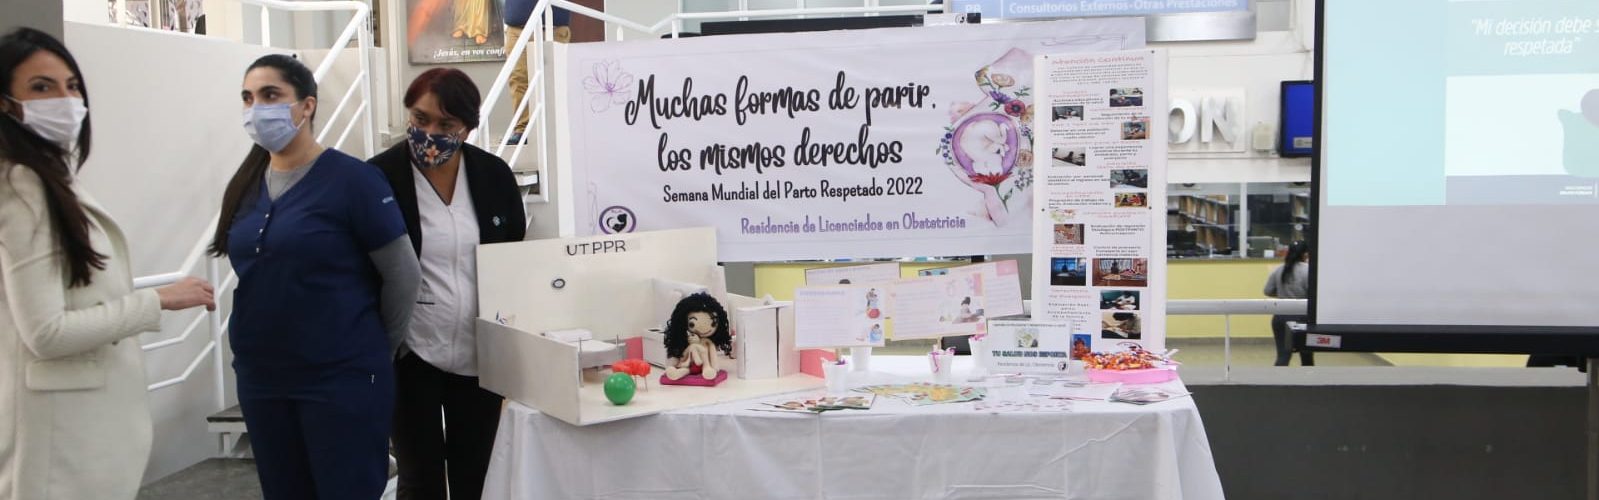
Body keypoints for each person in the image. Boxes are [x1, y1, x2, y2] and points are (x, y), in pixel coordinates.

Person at [0, 27, 216, 499]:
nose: (65, 100)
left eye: (72, 86)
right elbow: (46, 333)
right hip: (59, 439)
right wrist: (156, 301)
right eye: (41, 87)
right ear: (7, 104)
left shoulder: (49, 181)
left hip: (78, 432)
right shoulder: (23, 188)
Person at [212, 54, 420, 500]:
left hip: (340, 377)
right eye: (248, 98)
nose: (256, 108)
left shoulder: (354, 181)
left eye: (271, 95)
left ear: (307, 105)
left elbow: (403, 276)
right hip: (263, 376)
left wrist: (371, 351)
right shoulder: (246, 185)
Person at [368, 68, 525, 500]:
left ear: (467, 128)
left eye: (445, 124)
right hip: (410, 352)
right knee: (420, 479)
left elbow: (512, 257)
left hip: (479, 352)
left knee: (477, 474)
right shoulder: (378, 178)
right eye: (420, 119)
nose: (430, 134)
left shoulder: (493, 175)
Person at [502, 1, 570, 144]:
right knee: (518, 79)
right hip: (516, 29)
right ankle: (522, 131)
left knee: (554, 80)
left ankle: (555, 129)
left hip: (552, 28)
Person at [1264, 241, 1313, 366]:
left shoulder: (1279, 269)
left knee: (1283, 356)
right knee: (1307, 356)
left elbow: (1268, 291)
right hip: (1302, 317)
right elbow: (1313, 294)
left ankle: (1278, 378)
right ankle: (1309, 378)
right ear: (1305, 254)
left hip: (1280, 317)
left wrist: (1282, 294)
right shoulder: (1308, 270)